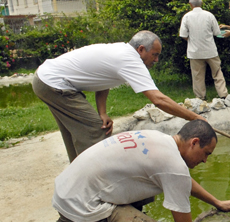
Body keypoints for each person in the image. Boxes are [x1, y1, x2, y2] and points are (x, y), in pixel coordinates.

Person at [47, 119, 230, 222]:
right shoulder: (173, 166)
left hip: (68, 192)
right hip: (83, 207)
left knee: (147, 189)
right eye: (206, 153)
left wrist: (216, 202)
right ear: (194, 142)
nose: (205, 161)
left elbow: (182, 180)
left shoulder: (159, 139)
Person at [33, 30, 206, 163]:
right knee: (95, 131)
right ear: (141, 49)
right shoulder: (130, 60)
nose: (157, 60)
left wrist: (103, 112)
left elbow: (104, 81)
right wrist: (195, 118)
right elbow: (158, 99)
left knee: (76, 132)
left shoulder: (121, 51)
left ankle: (78, 177)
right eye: (154, 54)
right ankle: (98, 182)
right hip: (55, 84)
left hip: (47, 79)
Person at [179, 0, 229, 100]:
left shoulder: (186, 17)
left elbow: (183, 35)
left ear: (190, 4)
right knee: (217, 73)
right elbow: (216, 32)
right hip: (210, 50)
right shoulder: (209, 15)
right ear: (201, 3)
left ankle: (200, 98)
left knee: (197, 76)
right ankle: (223, 94)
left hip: (194, 51)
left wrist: (192, 40)